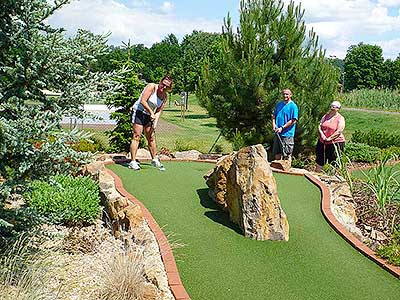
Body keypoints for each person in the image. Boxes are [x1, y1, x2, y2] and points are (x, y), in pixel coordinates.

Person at [128, 75, 173, 170]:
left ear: (169, 88)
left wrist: (155, 123)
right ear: (160, 82)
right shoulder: (152, 87)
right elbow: (143, 101)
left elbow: (159, 111)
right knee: (137, 136)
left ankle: (154, 159)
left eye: (166, 86)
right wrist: (151, 112)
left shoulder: (164, 96)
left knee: (151, 137)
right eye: (163, 84)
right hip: (139, 112)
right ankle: (132, 161)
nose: (163, 87)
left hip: (149, 115)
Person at [315, 100, 346, 172]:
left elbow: (339, 131)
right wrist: (322, 135)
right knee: (320, 160)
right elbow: (320, 126)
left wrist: (329, 138)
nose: (333, 108)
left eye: (335, 107)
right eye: (332, 106)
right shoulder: (325, 116)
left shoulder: (340, 118)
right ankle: (317, 176)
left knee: (334, 162)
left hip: (336, 143)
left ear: (338, 109)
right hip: (322, 141)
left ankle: (332, 178)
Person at [272, 88, 299, 160]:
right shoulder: (279, 104)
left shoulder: (293, 106)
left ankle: (287, 169)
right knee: (277, 153)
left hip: (287, 134)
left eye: (287, 94)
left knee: (287, 154)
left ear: (290, 95)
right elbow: (274, 116)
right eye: (284, 94)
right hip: (277, 133)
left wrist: (282, 128)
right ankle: (277, 168)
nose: (285, 95)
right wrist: (274, 124)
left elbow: (293, 120)